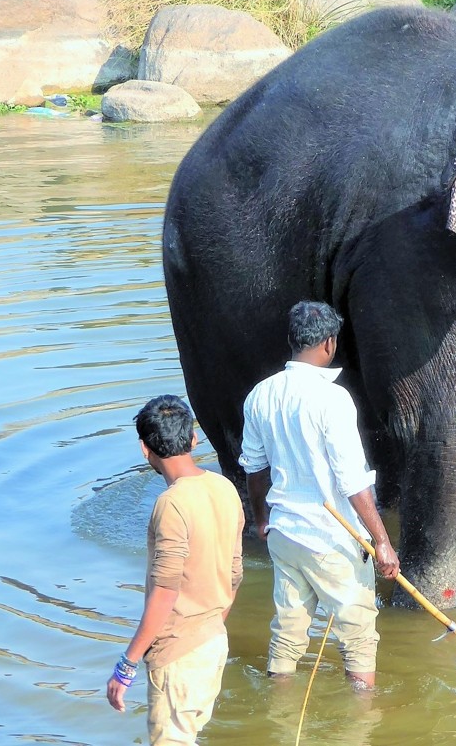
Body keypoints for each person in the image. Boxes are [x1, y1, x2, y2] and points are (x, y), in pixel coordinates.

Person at [240, 300, 400, 691]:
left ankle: (281, 710)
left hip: (285, 534)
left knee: (288, 635)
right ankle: (361, 723)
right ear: (329, 344)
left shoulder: (260, 395)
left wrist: (261, 519)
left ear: (293, 341)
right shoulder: (333, 399)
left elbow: (254, 470)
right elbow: (352, 481)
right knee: (359, 640)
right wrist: (382, 542)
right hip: (331, 538)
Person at [107, 395, 245, 746]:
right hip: (214, 642)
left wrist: (127, 664)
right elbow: (234, 574)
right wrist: (212, 625)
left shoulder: (171, 504)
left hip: (178, 654)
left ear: (144, 449)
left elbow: (165, 591)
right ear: (194, 439)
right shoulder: (224, 488)